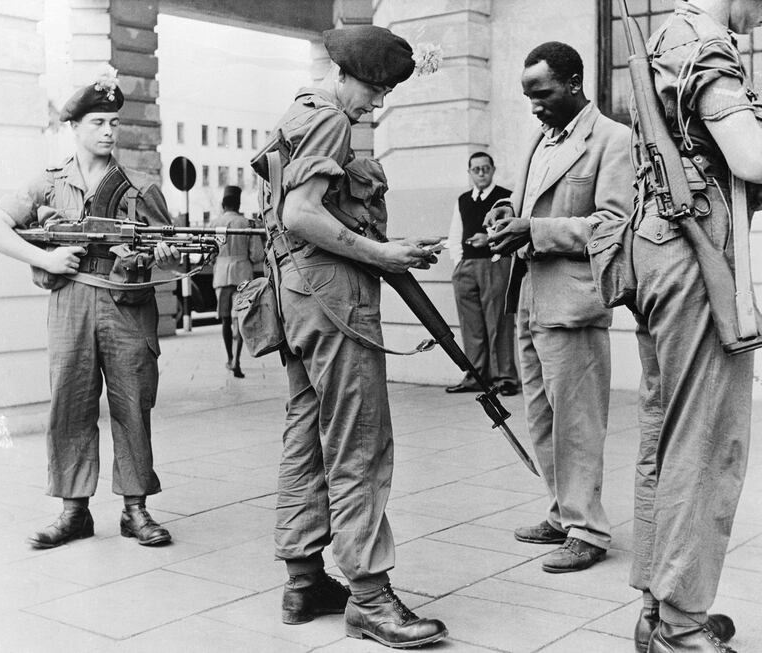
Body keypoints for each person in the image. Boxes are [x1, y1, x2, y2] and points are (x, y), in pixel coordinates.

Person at [255, 25, 448, 649]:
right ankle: (369, 596)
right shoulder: (332, 119)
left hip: (298, 295)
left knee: (307, 433)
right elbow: (301, 213)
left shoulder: (298, 111)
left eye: (386, 90)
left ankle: (304, 580)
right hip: (334, 297)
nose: (378, 101)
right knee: (359, 439)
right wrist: (383, 254)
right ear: (341, 74)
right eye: (373, 87)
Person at [0, 70, 182, 549]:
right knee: (69, 403)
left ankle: (135, 509)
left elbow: (170, 252)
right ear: (74, 126)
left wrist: (165, 254)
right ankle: (73, 511)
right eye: (98, 122)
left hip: (128, 305)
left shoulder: (140, 187)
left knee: (133, 405)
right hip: (71, 303)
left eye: (114, 122)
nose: (109, 131)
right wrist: (47, 258)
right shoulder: (49, 184)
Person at [626, 2, 762, 651]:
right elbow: (752, 159)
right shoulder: (704, 39)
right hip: (698, 254)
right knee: (708, 441)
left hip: (662, 250)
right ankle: (682, 627)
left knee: (669, 436)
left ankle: (659, 610)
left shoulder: (668, 34)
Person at [486, 42, 632, 573]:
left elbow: (614, 225)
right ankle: (561, 513)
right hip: (528, 295)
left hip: (572, 302)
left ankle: (588, 530)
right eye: (528, 96)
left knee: (578, 422)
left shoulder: (614, 139)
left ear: (574, 83)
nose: (534, 106)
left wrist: (537, 229)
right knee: (542, 415)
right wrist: (510, 213)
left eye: (542, 93)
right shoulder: (541, 138)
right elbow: (536, 204)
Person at [445, 152, 519, 395]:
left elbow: (512, 231)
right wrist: (458, 262)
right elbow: (455, 234)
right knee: (471, 325)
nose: (481, 173)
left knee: (498, 322)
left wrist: (489, 239)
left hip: (494, 264)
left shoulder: (505, 198)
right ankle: (476, 376)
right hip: (466, 267)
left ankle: (505, 378)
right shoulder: (463, 199)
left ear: (493, 170)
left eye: (485, 168)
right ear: (470, 172)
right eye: (476, 169)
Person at [211, 185, 254, 378]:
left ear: (223, 204)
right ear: (238, 204)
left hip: (222, 275)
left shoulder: (215, 224)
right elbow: (257, 254)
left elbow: (209, 254)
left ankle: (229, 358)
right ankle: (237, 359)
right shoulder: (246, 223)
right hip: (242, 274)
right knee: (240, 318)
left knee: (226, 320)